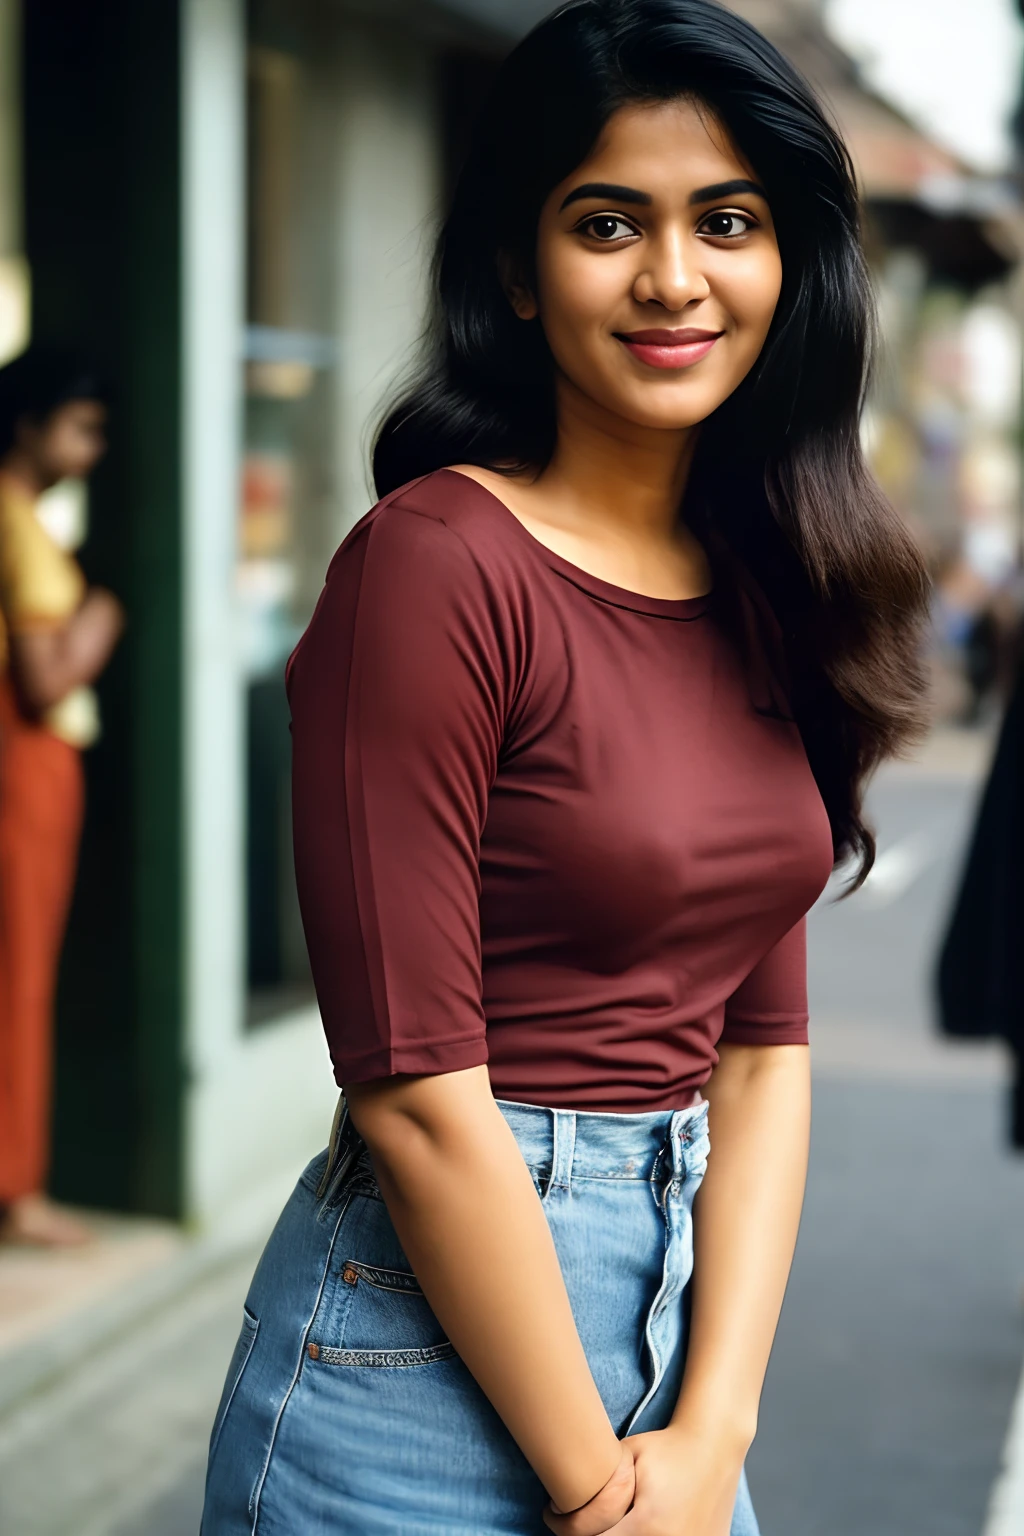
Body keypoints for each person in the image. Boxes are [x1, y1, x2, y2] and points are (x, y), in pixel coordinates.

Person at [202, 3, 929, 1532]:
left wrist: (716, 1424)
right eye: (610, 223)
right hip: (417, 1358)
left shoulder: (771, 574)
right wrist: (601, 1490)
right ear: (520, 275)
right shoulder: (434, 568)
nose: (674, 277)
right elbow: (411, 1097)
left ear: (790, 260)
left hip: (679, 1351)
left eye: (726, 221)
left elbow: (762, 1048)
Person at [0, 346, 124, 1247]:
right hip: (24, 762)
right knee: (21, 969)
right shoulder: (17, 524)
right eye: (82, 427)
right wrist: (103, 614)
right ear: (31, 424)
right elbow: (46, 678)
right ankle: (18, 1187)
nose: (94, 449)